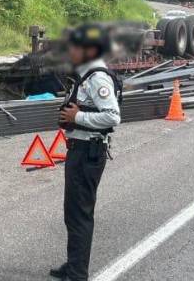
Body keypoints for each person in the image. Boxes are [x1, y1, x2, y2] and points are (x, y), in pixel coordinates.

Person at [51, 23, 121, 281]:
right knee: (73, 213)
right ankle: (73, 265)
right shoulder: (84, 75)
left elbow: (113, 116)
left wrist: (77, 117)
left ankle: (78, 273)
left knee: (79, 214)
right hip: (79, 150)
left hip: (88, 152)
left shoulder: (97, 77)